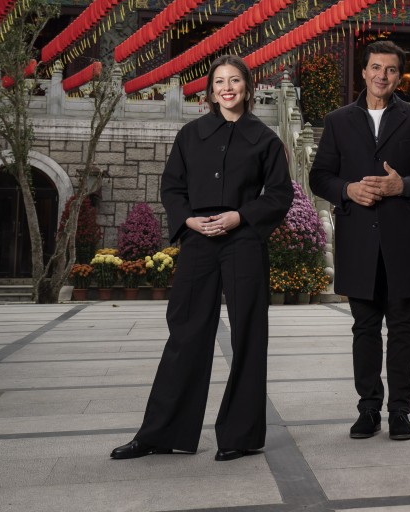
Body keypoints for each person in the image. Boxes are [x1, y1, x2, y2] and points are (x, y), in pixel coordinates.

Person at [110, 54, 294, 462]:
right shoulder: (190, 135)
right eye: (219, 82)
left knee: (249, 334)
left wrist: (240, 216)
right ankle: (162, 432)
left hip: (244, 240)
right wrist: (189, 221)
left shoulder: (265, 139)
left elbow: (280, 194)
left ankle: (240, 436)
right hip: (198, 241)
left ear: (247, 87)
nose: (227, 88)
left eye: (234, 80)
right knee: (186, 331)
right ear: (210, 91)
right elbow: (172, 187)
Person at [309, 41, 410, 441]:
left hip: (403, 243)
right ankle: (368, 408)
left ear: (400, 77)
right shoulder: (338, 121)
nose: (383, 75)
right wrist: (347, 190)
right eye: (376, 68)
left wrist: (405, 185)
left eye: (391, 69)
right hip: (358, 241)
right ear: (363, 72)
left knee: (403, 329)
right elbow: (319, 176)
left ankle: (400, 411)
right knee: (364, 329)